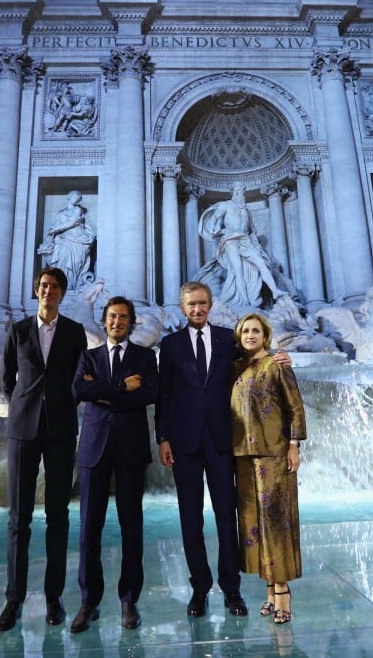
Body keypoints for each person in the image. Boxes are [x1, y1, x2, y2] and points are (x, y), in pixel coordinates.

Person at [156, 280, 291, 619]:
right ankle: (199, 589)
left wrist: (279, 357)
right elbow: (164, 395)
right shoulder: (170, 345)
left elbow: (255, 361)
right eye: (191, 304)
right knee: (190, 519)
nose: (197, 308)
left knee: (227, 517)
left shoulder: (227, 339)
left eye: (202, 303)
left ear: (210, 304)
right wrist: (163, 438)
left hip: (222, 440)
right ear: (182, 307)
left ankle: (232, 589)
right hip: (184, 443)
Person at [0, 266, 88, 632]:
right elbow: (7, 378)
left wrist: (63, 403)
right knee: (18, 517)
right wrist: (22, 404)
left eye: (54, 286)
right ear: (37, 291)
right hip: (22, 429)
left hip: (61, 427)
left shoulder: (75, 332)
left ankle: (54, 596)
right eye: (44, 285)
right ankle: (13, 599)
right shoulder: (18, 330)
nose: (48, 291)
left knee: (58, 516)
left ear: (62, 293)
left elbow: (80, 377)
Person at [69, 296, 159, 633]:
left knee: (131, 527)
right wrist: (122, 387)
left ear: (131, 322)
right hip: (94, 448)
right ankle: (88, 601)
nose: (116, 322)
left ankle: (129, 600)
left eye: (122, 317)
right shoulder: (88, 356)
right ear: (104, 320)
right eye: (111, 316)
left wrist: (103, 392)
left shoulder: (145, 357)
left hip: (131, 448)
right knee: (88, 529)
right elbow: (79, 390)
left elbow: (149, 394)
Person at [230, 313, 306, 625]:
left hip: (273, 452)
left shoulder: (278, 364)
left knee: (276, 522)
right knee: (254, 524)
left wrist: (293, 444)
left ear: (265, 335)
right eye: (245, 331)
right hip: (243, 455)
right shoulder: (236, 367)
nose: (250, 335)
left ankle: (283, 592)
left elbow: (294, 406)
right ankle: (270, 590)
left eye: (255, 331)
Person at [197, 181, 287, 309]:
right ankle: (245, 302)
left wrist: (254, 239)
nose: (240, 193)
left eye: (242, 191)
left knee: (261, 262)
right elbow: (215, 218)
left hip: (245, 240)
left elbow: (252, 229)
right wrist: (214, 227)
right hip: (230, 240)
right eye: (237, 191)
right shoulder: (226, 205)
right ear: (233, 193)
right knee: (238, 270)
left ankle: (275, 291)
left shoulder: (247, 211)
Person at [37, 190, 96, 291]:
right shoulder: (61, 213)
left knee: (74, 263)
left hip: (77, 239)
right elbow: (54, 226)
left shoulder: (78, 210)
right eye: (74, 197)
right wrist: (51, 236)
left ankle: (71, 285)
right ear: (69, 197)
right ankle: (61, 284)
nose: (76, 200)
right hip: (62, 239)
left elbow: (72, 223)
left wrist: (55, 230)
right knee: (61, 261)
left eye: (78, 199)